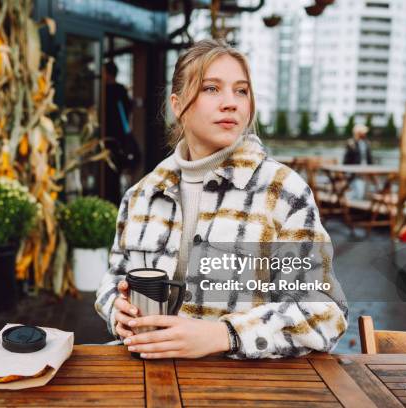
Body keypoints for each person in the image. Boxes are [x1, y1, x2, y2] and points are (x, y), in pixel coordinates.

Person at [95, 39, 348, 359]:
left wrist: (225, 335)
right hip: (147, 375)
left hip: (241, 386)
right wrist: (117, 310)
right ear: (177, 104)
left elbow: (325, 314)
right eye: (211, 88)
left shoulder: (282, 191)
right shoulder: (141, 194)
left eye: (241, 91)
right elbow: (115, 277)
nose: (231, 102)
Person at [103, 61, 136, 205]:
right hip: (116, 135)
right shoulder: (119, 90)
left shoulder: (109, 90)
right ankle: (114, 200)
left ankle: (111, 199)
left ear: (108, 73)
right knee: (113, 169)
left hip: (112, 135)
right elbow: (129, 109)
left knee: (111, 168)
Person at [343, 124, 373, 200]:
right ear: (358, 133)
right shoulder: (351, 143)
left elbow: (369, 158)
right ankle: (348, 200)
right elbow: (346, 160)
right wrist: (347, 173)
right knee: (358, 192)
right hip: (354, 173)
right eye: (363, 132)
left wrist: (371, 170)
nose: (365, 134)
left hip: (365, 171)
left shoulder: (366, 143)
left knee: (364, 192)